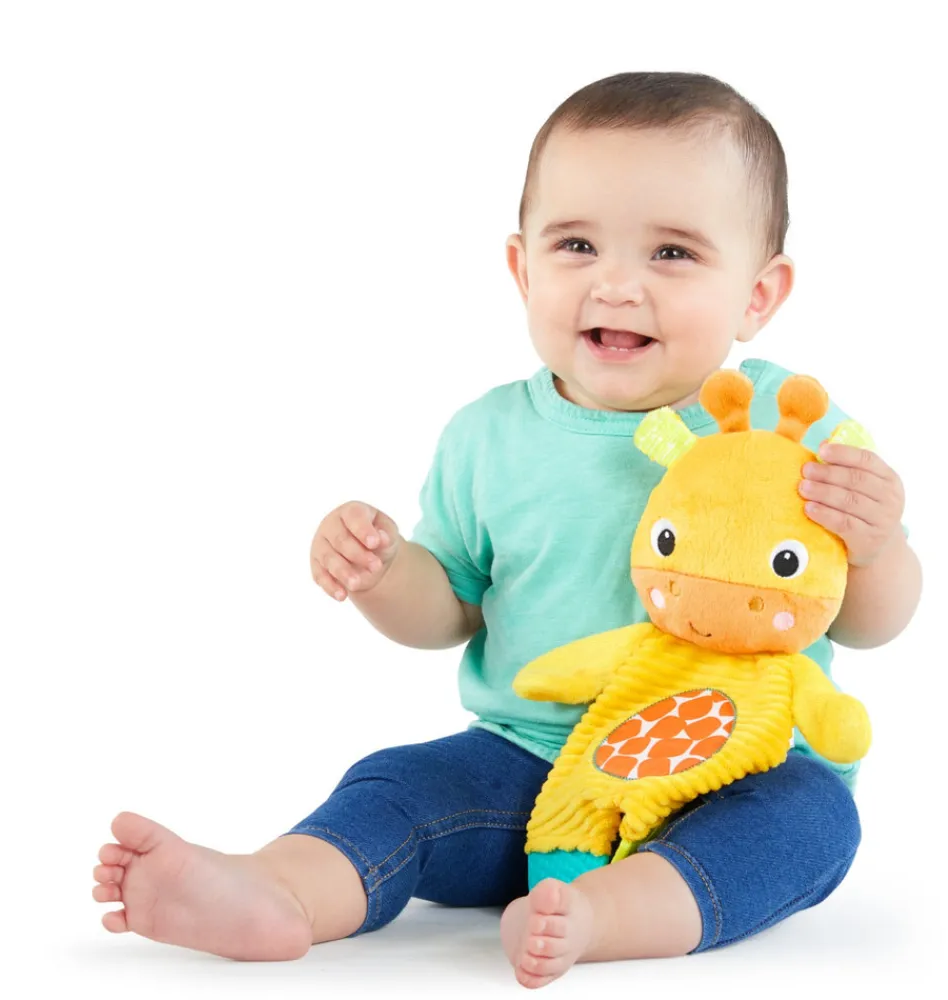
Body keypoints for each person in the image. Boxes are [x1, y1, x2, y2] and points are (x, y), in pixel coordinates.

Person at [91, 71, 921, 989]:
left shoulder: (790, 425)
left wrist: (876, 544)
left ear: (759, 295)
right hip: (531, 766)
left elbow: (869, 622)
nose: (616, 284)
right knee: (397, 783)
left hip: (741, 766)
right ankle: (280, 888)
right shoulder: (489, 437)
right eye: (577, 245)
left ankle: (610, 912)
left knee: (811, 822)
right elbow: (448, 612)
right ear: (524, 270)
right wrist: (383, 572)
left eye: (672, 253)